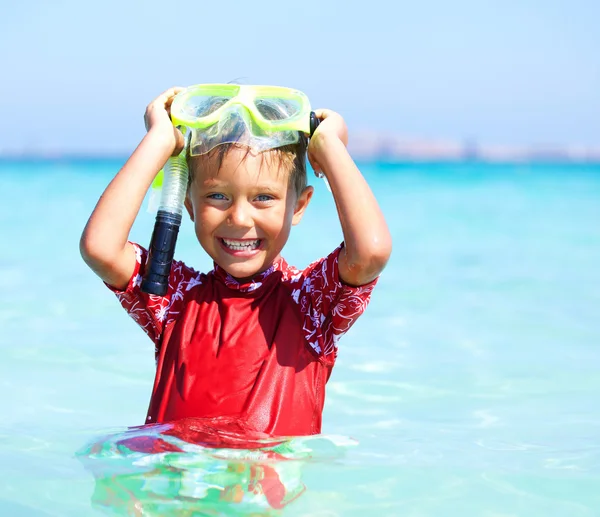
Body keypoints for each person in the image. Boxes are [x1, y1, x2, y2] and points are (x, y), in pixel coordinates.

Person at [80, 85, 392, 438]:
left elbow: (371, 252)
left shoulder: (310, 305)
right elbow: (101, 249)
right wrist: (159, 140)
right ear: (189, 205)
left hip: (263, 490)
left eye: (263, 197)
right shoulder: (174, 298)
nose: (240, 218)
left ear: (299, 206)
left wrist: (329, 146)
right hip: (169, 489)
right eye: (217, 196)